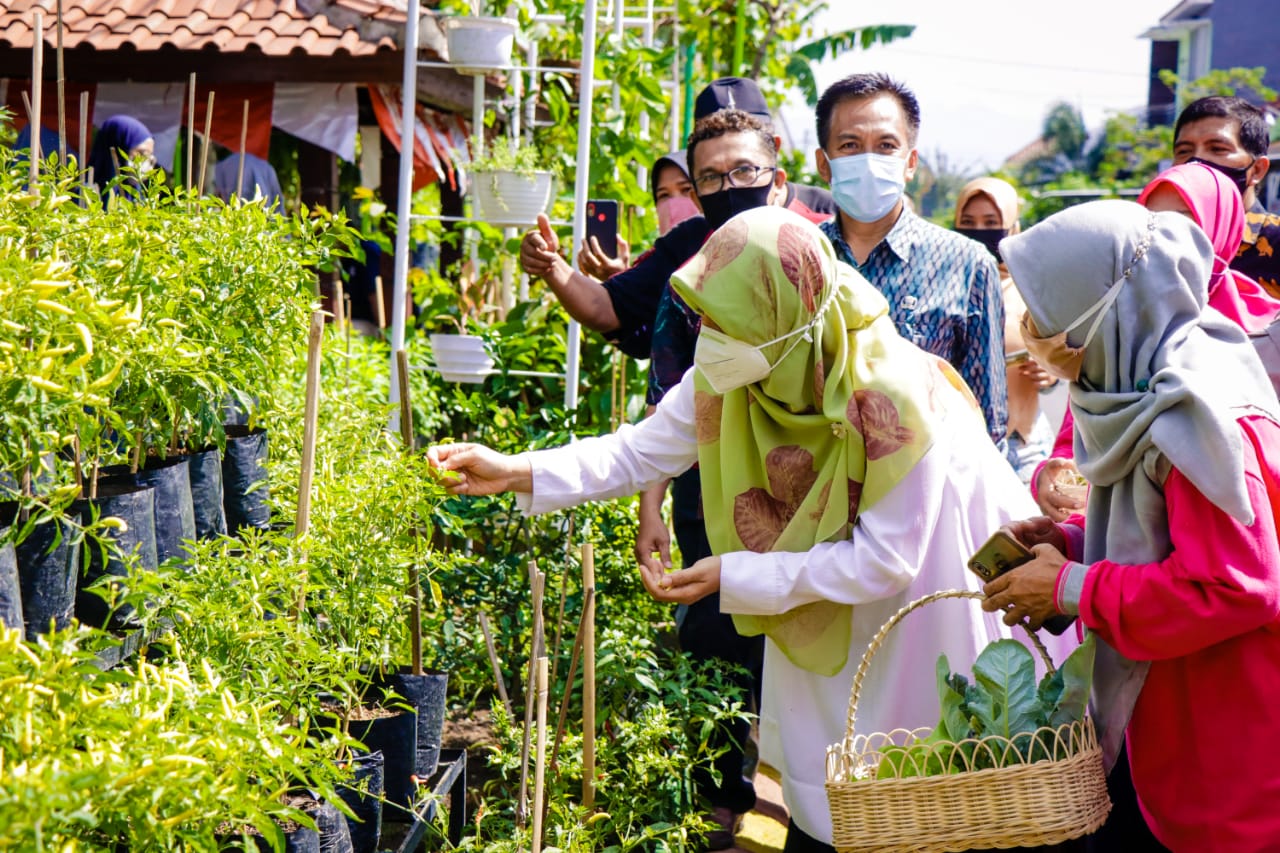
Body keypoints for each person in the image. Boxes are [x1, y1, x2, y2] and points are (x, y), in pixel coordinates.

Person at [430, 207, 1032, 852]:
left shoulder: (893, 394)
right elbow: (640, 452)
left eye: (725, 316)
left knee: (916, 773)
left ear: (785, 311)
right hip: (819, 589)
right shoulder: (748, 358)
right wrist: (515, 470)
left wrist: (735, 573)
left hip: (923, 589)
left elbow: (886, 562)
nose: (709, 334)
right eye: (706, 316)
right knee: (829, 770)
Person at [984, 199, 1280, 852]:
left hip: (1223, 749)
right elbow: (1168, 536)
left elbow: (1238, 586)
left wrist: (1074, 589)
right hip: (1169, 729)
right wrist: (1069, 543)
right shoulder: (1149, 383)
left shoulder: (1193, 418)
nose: (1035, 331)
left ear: (1101, 311)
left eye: (1046, 313)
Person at [1029, 160, 1280, 521]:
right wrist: (1049, 476)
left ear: (1222, 227)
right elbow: (1084, 430)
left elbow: (1238, 571)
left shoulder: (1265, 330)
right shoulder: (1122, 322)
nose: (1163, 238)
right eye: (1151, 223)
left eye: (1182, 221)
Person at [519, 76, 834, 360]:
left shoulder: (827, 222)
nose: (731, 186)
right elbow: (609, 309)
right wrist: (552, 266)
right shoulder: (686, 248)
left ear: (772, 156)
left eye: (744, 169)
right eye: (711, 175)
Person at [813, 73, 1007, 447]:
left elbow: (985, 421)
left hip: (922, 498)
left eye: (886, 145)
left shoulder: (967, 264)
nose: (869, 161)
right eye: (850, 145)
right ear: (824, 164)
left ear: (910, 162)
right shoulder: (798, 257)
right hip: (812, 496)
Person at [954, 177, 1054, 482]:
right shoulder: (945, 286)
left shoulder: (1034, 287)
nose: (980, 231)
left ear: (1013, 228)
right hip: (958, 443)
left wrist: (1050, 373)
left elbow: (1066, 355)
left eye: (991, 222)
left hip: (1022, 443)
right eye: (969, 222)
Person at [1171, 95, 1280, 295]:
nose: (1197, 162)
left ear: (1256, 170)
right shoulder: (1157, 241)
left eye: (1217, 149)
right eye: (1184, 151)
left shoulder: (1276, 242)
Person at [576, 150, 698, 284]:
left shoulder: (719, 260)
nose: (673, 205)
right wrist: (621, 278)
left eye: (686, 189)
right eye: (664, 195)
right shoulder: (653, 265)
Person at [86, 115, 155, 202]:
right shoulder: (85, 196)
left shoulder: (136, 195)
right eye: (141, 153)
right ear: (120, 148)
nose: (145, 161)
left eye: (149, 156)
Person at [213, 152, 284, 211]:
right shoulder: (267, 168)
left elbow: (218, 197)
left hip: (231, 220)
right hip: (261, 221)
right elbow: (278, 207)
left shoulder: (221, 166)